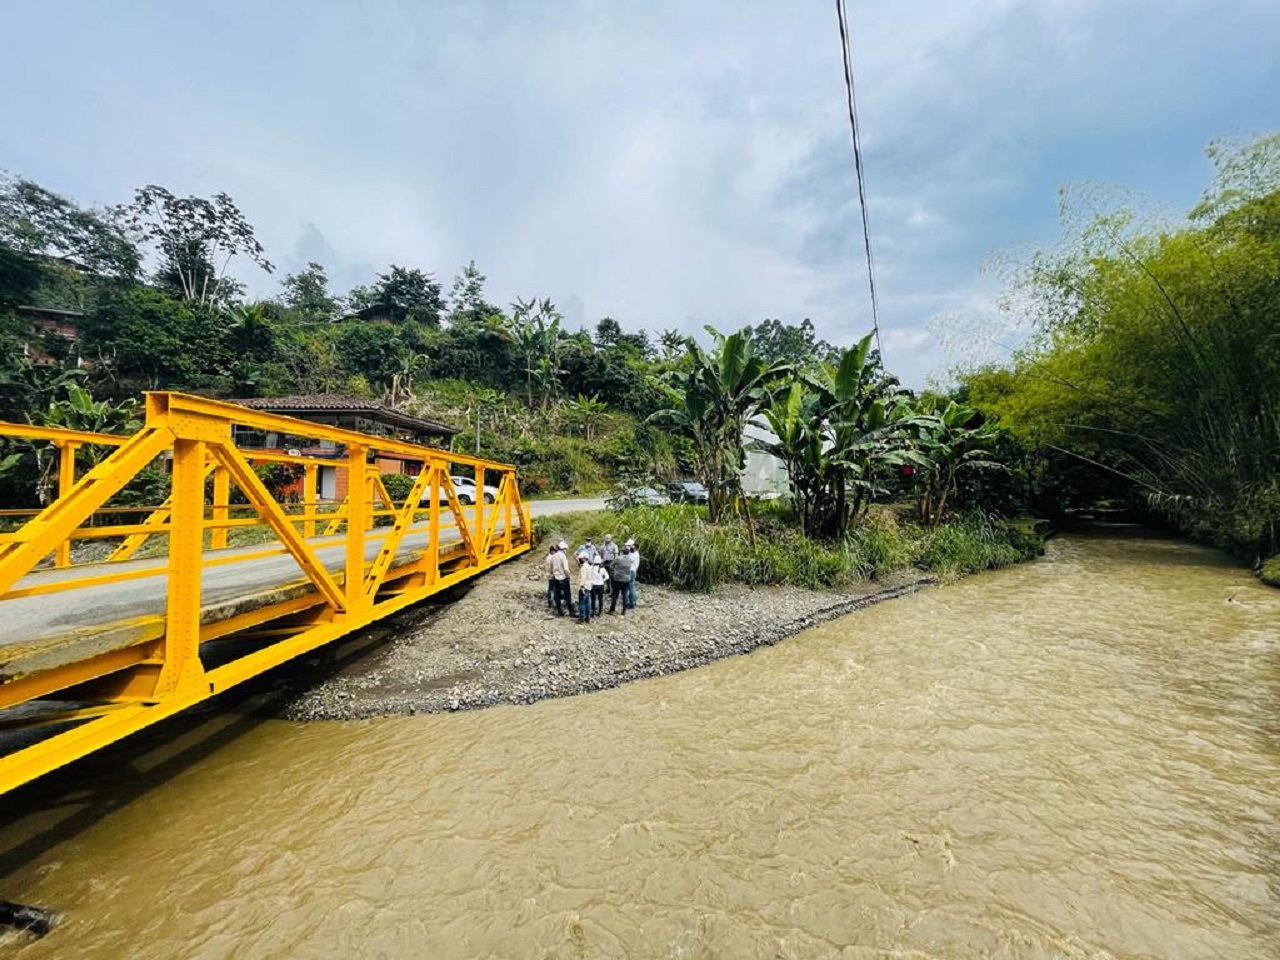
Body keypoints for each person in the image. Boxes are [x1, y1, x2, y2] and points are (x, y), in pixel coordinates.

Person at [546, 540, 571, 615]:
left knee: (557, 595)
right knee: (567, 595)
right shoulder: (563, 556)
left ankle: (559, 610)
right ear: (563, 549)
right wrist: (568, 576)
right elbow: (566, 569)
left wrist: (551, 575)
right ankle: (570, 610)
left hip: (555, 578)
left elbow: (550, 567)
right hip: (563, 578)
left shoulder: (553, 556)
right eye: (565, 549)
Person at [608, 546, 634, 615]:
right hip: (626, 579)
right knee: (624, 595)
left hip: (617, 579)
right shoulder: (630, 559)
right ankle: (624, 610)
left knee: (615, 595)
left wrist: (613, 573)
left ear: (622, 552)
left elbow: (611, 566)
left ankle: (612, 609)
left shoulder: (618, 559)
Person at [576, 555, 594, 623]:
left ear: (583, 559)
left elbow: (583, 578)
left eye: (580, 558)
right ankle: (587, 618)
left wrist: (582, 586)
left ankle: (581, 618)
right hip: (589, 586)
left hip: (584, 586)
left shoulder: (584, 567)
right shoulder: (589, 566)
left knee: (582, 603)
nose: (579, 560)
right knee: (587, 603)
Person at [625, 538, 640, 610]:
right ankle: (632, 602)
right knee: (630, 587)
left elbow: (627, 561)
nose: (627, 547)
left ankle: (631, 603)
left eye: (629, 546)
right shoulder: (632, 553)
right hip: (631, 571)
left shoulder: (634, 554)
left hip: (631, 572)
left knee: (631, 588)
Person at [544, 543, 559, 609]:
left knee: (551, 589)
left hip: (551, 575)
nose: (555, 552)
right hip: (552, 575)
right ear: (551, 551)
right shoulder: (550, 558)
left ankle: (551, 602)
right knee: (552, 589)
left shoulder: (550, 557)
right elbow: (551, 568)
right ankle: (551, 602)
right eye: (554, 551)